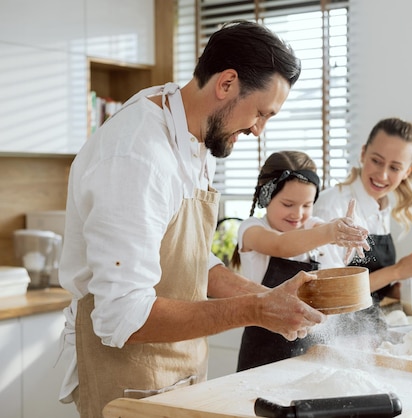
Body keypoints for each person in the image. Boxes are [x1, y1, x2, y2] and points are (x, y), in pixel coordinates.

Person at [57, 20, 327, 417]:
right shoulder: (136, 156)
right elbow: (122, 317)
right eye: (260, 113)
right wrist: (255, 310)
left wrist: (269, 298)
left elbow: (191, 258)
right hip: (125, 380)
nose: (259, 130)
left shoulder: (194, 133)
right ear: (227, 83)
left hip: (179, 370)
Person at [232, 151, 369, 371]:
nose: (298, 214)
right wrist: (330, 232)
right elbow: (282, 245)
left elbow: (322, 228)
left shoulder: (311, 227)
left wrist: (345, 228)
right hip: (262, 357)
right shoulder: (252, 229)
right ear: (266, 196)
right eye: (288, 204)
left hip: (310, 356)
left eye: (307, 205)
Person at [314, 117, 412, 306]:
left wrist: (394, 288)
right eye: (376, 161)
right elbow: (328, 291)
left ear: (408, 172)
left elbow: (369, 279)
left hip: (368, 327)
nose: (382, 175)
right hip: (336, 331)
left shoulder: (382, 206)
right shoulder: (333, 205)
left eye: (394, 167)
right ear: (363, 153)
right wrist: (396, 271)